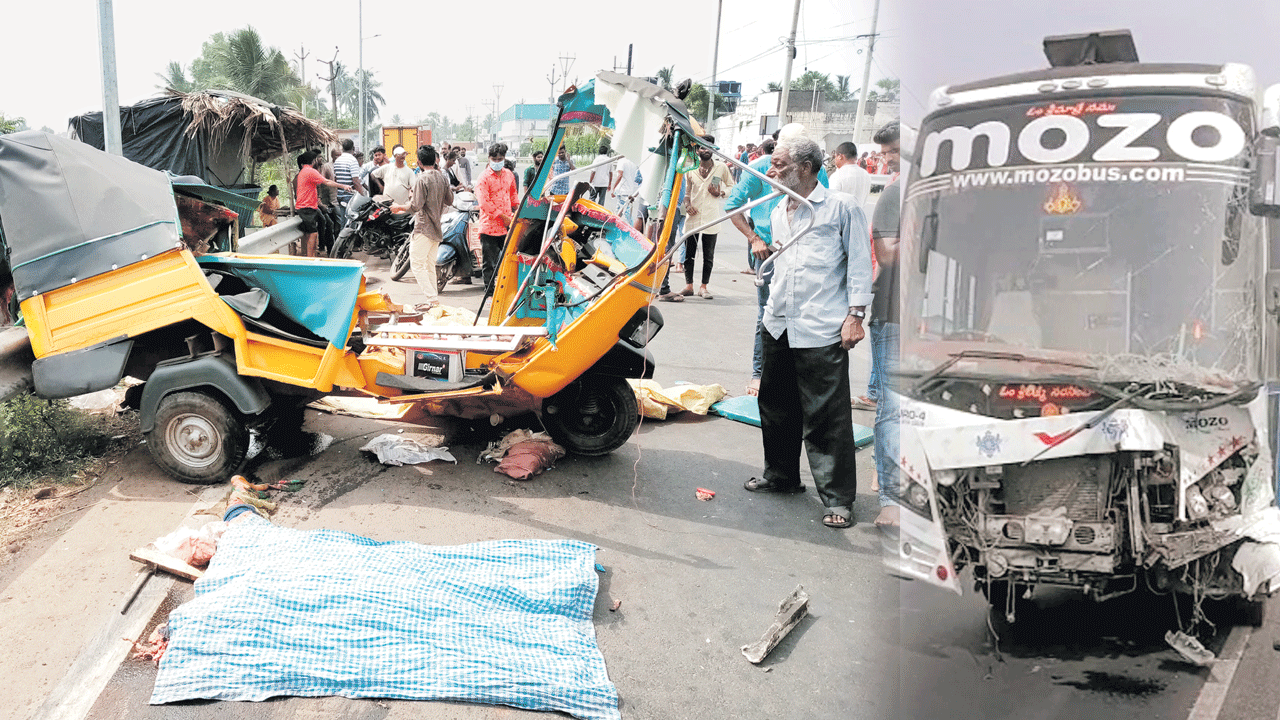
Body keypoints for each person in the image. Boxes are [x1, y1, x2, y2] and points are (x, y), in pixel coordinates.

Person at [743, 134, 871, 531]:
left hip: (821, 325)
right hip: (779, 320)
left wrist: (856, 315)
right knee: (776, 404)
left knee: (826, 416)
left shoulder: (840, 208)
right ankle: (781, 476)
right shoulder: (779, 208)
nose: (772, 170)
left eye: (780, 164)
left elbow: (860, 264)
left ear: (807, 168)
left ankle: (837, 498)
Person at [726, 128, 825, 397]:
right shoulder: (759, 169)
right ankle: (760, 374)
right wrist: (753, 238)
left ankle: (797, 376)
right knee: (768, 315)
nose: (778, 168)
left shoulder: (816, 171)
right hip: (770, 252)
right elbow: (732, 205)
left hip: (804, 250)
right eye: (779, 161)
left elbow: (822, 205)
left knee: (805, 314)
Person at [869, 121, 902, 528]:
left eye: (893, 151)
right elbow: (889, 255)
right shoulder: (896, 193)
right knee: (894, 409)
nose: (888, 159)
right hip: (895, 314)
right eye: (884, 152)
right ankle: (892, 499)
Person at [390, 145, 452, 310]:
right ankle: (434, 301)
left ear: (419, 161)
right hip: (436, 227)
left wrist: (399, 207)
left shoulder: (422, 179)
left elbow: (415, 206)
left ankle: (432, 300)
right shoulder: (442, 178)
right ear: (434, 160)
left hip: (423, 227)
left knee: (417, 265)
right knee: (429, 265)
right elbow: (450, 201)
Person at [678, 136, 733, 300]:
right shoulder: (690, 169)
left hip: (711, 217)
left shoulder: (721, 168)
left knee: (708, 255)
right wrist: (687, 204)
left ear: (713, 149)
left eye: (709, 147)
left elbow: (731, 186)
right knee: (689, 254)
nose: (706, 150)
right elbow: (686, 193)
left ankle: (703, 287)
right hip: (693, 218)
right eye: (702, 147)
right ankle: (689, 286)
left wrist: (721, 193)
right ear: (697, 150)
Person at [474, 142, 519, 288]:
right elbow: (484, 203)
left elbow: (513, 195)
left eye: (500, 159)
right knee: (489, 263)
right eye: (494, 159)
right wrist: (504, 218)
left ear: (505, 158)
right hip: (490, 227)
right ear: (489, 158)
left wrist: (518, 210)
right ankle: (489, 291)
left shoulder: (509, 175)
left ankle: (505, 289)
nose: (497, 162)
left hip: (508, 227)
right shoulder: (483, 178)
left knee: (508, 260)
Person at [295, 150, 351, 258]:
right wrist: (343, 186)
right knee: (313, 233)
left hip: (309, 206)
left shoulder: (304, 171)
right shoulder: (310, 171)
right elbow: (327, 182)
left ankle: (315, 253)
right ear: (313, 160)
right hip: (307, 207)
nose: (319, 160)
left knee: (324, 222)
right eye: (317, 158)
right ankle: (310, 258)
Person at [610, 153, 641, 226]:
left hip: (622, 190)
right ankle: (614, 224)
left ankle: (631, 228)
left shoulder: (622, 161)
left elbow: (620, 175)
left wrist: (614, 188)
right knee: (620, 210)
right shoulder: (633, 162)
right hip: (629, 190)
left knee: (624, 211)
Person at [333, 139, 365, 205]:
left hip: (339, 195)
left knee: (343, 215)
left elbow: (335, 179)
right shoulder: (352, 160)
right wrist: (362, 195)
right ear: (353, 148)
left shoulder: (337, 160)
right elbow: (355, 181)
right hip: (350, 196)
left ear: (342, 149)